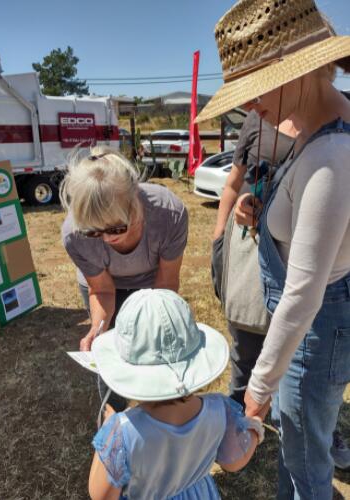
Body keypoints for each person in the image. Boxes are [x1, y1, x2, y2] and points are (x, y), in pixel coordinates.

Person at [197, 1, 350, 498]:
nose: (249, 107)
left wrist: (257, 392)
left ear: (295, 71)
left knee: (306, 465)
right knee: (298, 449)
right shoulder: (312, 125)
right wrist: (256, 207)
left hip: (314, 324)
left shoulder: (331, 154)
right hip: (310, 325)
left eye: (253, 90)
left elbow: (304, 293)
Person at [213, 110, 350, 470]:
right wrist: (224, 230)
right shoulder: (256, 122)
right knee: (246, 348)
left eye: (262, 92)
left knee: (305, 373)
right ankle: (239, 430)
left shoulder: (334, 131)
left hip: (313, 277)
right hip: (258, 258)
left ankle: (313, 430)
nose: (256, 103)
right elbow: (235, 183)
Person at [88, 288, 266, 500]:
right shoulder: (220, 409)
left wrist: (108, 435)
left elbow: (101, 495)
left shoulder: (119, 431)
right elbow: (233, 461)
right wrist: (254, 425)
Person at [61, 147, 188, 409]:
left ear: (135, 200)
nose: (107, 239)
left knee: (157, 344)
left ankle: (162, 408)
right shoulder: (74, 234)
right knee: (110, 351)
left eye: (116, 228)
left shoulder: (169, 213)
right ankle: (113, 413)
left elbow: (166, 285)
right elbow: (102, 290)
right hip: (106, 286)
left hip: (154, 282)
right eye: (94, 232)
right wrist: (99, 328)